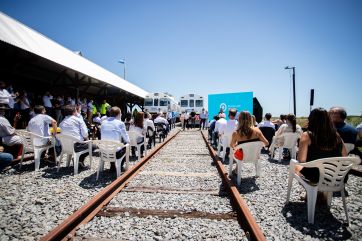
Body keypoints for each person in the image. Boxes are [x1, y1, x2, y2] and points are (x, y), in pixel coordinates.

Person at [296, 108, 347, 184]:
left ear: (311, 119)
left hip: (317, 176)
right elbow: (345, 156)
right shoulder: (336, 135)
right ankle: (322, 192)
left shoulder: (307, 135)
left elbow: (302, 160)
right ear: (328, 119)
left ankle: (311, 191)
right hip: (337, 176)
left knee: (295, 166)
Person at [101, 106, 130, 171]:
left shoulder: (103, 122)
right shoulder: (120, 123)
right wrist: (128, 142)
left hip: (104, 151)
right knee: (125, 145)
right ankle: (120, 166)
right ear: (118, 114)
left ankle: (113, 166)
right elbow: (126, 138)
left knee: (112, 143)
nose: (121, 114)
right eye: (121, 113)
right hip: (115, 153)